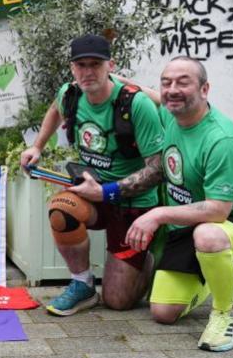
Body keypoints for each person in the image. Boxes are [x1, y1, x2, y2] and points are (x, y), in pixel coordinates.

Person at [20, 34, 165, 316]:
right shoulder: (70, 94)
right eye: (81, 65)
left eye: (95, 64)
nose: (87, 72)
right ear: (73, 68)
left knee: (118, 302)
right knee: (61, 210)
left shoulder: (136, 105)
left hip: (133, 202)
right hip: (93, 192)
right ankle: (83, 285)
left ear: (111, 65)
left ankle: (146, 261)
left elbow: (157, 169)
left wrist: (106, 192)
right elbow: (55, 109)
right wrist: (36, 146)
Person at [125, 57, 233, 352]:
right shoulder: (172, 113)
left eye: (183, 82)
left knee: (208, 235)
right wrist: (115, 80)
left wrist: (157, 214)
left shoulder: (222, 138)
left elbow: (217, 210)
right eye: (167, 82)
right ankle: (229, 275)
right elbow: (158, 97)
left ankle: (225, 315)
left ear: (204, 89)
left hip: (232, 225)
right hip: (186, 225)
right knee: (162, 312)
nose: (173, 90)